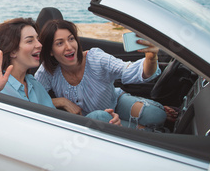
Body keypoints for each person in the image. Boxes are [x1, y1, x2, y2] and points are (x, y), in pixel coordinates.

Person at [0, 18, 121, 125]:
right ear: (13, 51)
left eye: (37, 39)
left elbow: (55, 120)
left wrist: (106, 119)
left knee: (102, 117)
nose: (39, 45)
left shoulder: (34, 84)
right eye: (30, 41)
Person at [35, 19, 167, 130]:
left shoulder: (96, 58)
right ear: (51, 51)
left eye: (71, 39)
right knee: (100, 117)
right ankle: (142, 130)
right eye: (60, 43)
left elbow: (133, 72)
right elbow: (32, 98)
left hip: (114, 101)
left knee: (158, 115)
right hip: (90, 120)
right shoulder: (48, 70)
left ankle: (138, 121)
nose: (69, 47)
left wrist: (151, 57)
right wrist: (62, 102)